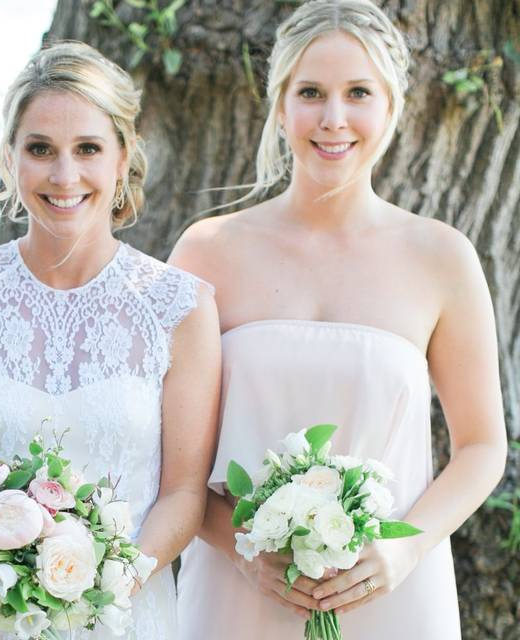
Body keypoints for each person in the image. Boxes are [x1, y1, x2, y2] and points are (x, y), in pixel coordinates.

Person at [170, 1, 507, 638]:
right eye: (310, 93)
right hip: (240, 590)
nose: (333, 119)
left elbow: (482, 447)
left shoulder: (442, 257)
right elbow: (174, 461)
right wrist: (244, 552)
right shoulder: (206, 251)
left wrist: (407, 548)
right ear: (279, 105)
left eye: (358, 93)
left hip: (391, 591)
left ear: (392, 105)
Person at [0, 41, 221, 639]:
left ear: (123, 157)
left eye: (87, 149)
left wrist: (101, 584)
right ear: (9, 159)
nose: (64, 175)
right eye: (40, 150)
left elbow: (184, 493)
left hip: (123, 613)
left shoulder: (179, 307)